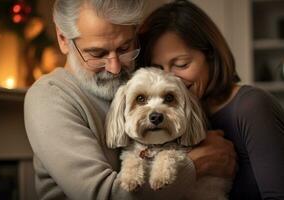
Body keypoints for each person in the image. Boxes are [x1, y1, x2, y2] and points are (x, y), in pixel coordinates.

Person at [24, 0, 236, 199]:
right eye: (97, 53)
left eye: (125, 48)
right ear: (63, 39)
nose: (115, 68)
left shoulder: (135, 80)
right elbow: (104, 195)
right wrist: (198, 164)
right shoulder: (49, 97)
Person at [138, 0, 284, 199]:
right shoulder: (162, 121)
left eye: (181, 64)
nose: (169, 80)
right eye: (157, 69)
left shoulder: (252, 107)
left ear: (211, 56)